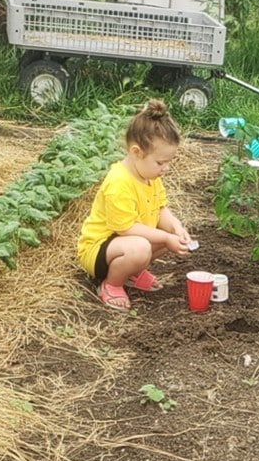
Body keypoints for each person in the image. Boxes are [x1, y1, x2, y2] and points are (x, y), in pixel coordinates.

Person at [77, 99, 192, 312]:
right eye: (160, 162)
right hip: (98, 251)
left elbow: (160, 210)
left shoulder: (150, 176)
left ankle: (132, 271)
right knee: (141, 247)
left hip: (124, 244)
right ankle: (111, 284)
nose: (165, 168)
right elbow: (125, 228)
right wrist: (167, 237)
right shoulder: (119, 182)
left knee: (164, 238)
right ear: (136, 152)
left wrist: (176, 228)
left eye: (169, 162)